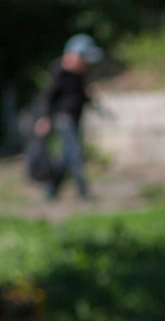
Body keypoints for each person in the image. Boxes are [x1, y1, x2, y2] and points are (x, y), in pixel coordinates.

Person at [33, 34, 104, 201]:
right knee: (75, 152)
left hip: (74, 117)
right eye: (84, 58)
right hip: (62, 118)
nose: (87, 63)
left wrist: (92, 102)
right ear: (73, 56)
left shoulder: (79, 75)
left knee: (66, 157)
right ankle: (83, 191)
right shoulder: (59, 73)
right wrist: (44, 118)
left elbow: (79, 96)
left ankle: (51, 190)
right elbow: (48, 97)